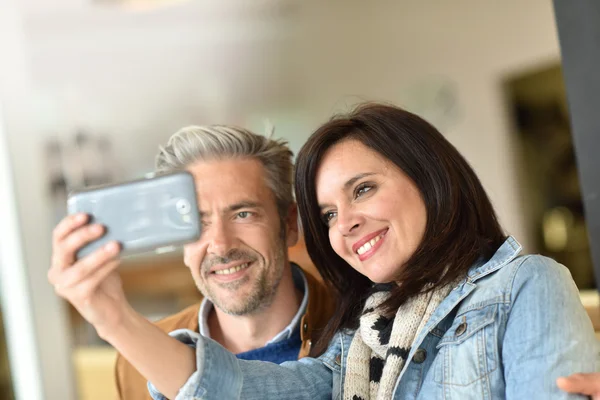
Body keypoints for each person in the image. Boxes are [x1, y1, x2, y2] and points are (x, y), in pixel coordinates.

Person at [50, 104, 598, 400]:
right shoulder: (360, 339)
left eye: (362, 189)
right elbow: (232, 390)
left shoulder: (526, 284)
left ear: (429, 180)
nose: (347, 222)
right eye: (330, 214)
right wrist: (112, 316)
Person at [48, 125, 334, 400]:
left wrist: (118, 322)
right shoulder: (137, 357)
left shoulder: (355, 330)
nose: (221, 245)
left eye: (243, 214)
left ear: (289, 224)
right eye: (197, 221)